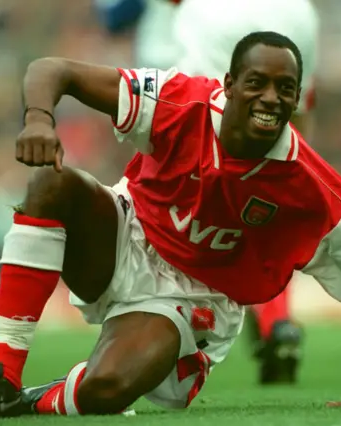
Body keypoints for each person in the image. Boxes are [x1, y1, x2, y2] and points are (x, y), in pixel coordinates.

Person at [0, 31, 341, 419]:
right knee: (50, 184)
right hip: (128, 234)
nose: (271, 97)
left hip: (194, 295)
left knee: (106, 390)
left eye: (285, 88)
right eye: (257, 83)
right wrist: (38, 120)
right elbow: (53, 69)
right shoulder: (179, 100)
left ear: (297, 96)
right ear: (229, 84)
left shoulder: (310, 185)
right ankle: (2, 374)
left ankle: (32, 401)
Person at [134, 0, 320, 383]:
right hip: (295, 13)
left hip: (215, 15)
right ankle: (277, 320)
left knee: (195, 159)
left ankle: (171, 318)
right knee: (278, 170)